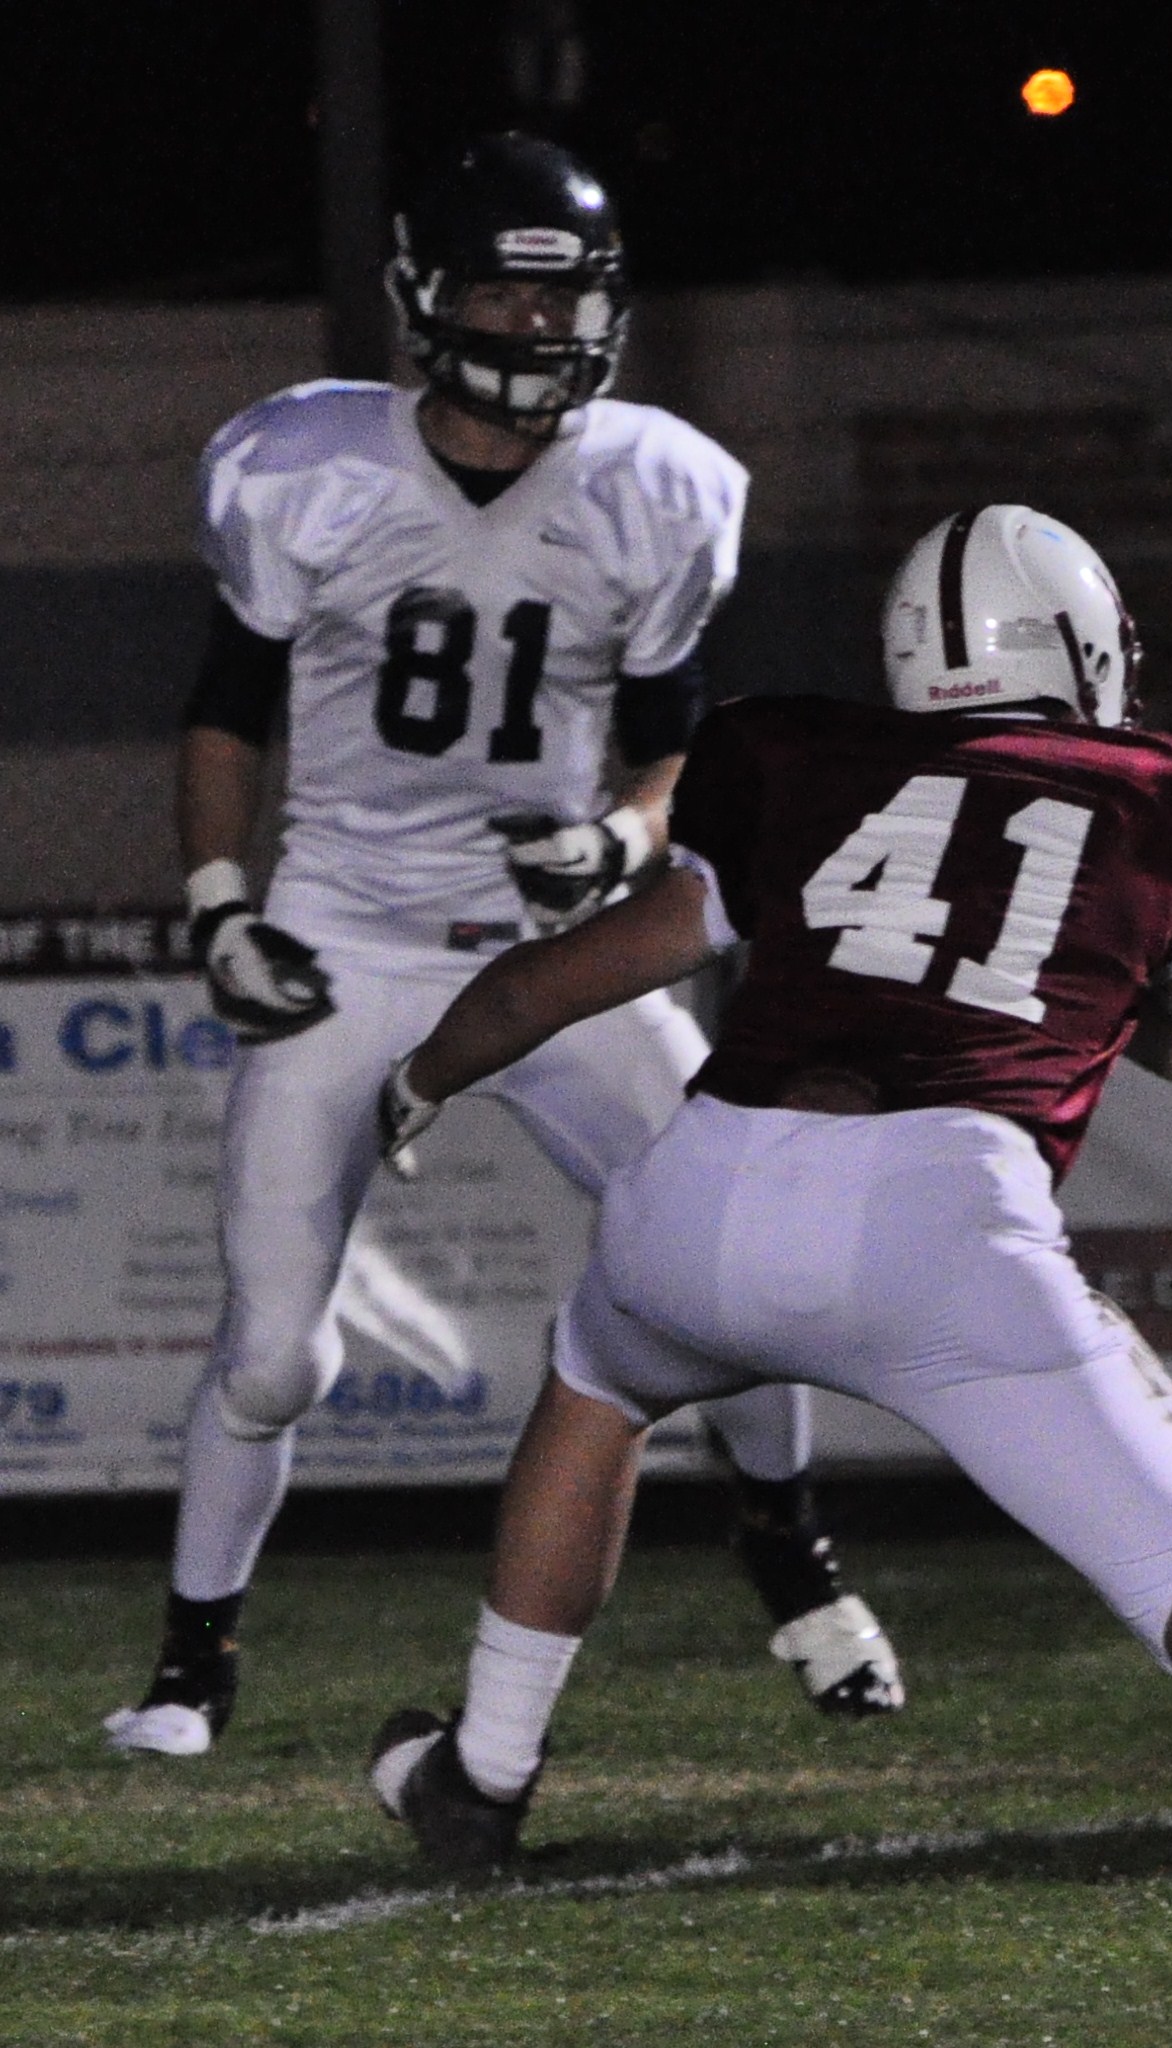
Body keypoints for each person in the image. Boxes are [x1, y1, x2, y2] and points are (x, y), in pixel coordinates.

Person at [364, 505, 1172, 1887]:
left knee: (596, 1375)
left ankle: (484, 1775)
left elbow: (545, 983)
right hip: (947, 1219)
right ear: (1078, 648)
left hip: (711, 1183)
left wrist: (419, 1078)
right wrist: (1082, 979)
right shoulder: (1162, 795)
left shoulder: (801, 761)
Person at [102, 134, 901, 1760]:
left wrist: (618, 839)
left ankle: (792, 1552)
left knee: (736, 1251)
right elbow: (226, 710)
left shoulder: (654, 485)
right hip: (345, 932)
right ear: (425, 297)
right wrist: (219, 905)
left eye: (562, 298)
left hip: (554, 952)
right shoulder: (306, 464)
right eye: (502, 294)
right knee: (271, 1353)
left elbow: (677, 752)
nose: (536, 328)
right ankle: (192, 1657)